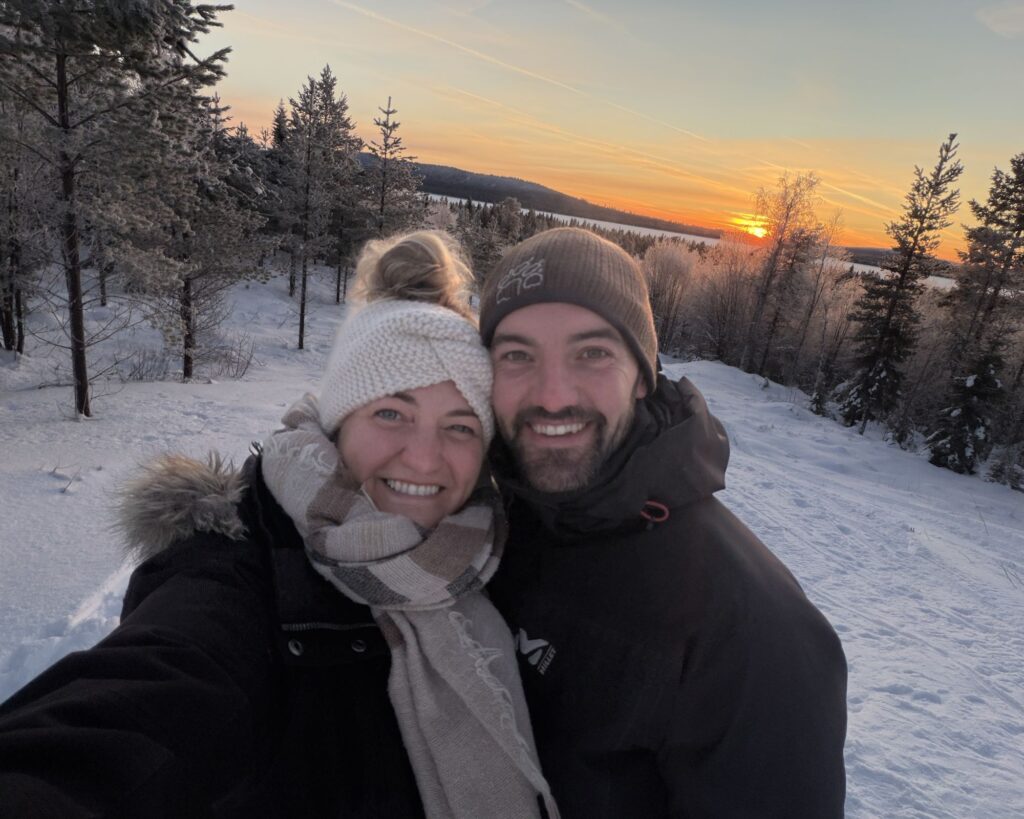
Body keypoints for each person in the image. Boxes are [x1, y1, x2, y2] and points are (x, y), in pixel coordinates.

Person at [0, 230, 558, 819]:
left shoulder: (504, 554)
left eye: (460, 426)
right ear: (338, 423)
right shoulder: (232, 576)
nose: (423, 458)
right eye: (391, 412)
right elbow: (129, 715)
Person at [477, 227, 848, 818]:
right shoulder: (482, 527)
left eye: (592, 353)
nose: (551, 396)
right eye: (517, 355)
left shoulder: (750, 630)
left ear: (643, 374)